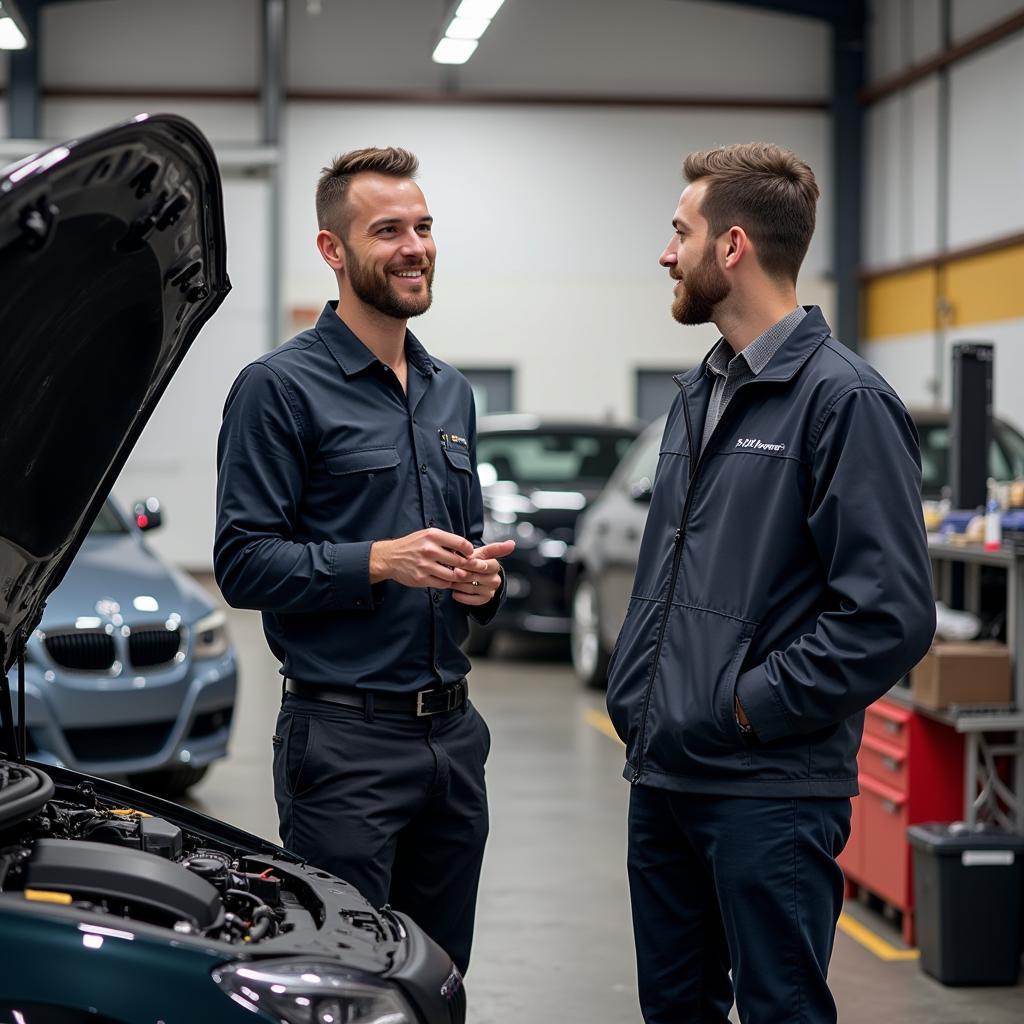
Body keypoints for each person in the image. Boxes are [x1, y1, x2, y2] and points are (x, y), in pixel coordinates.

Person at [605, 143, 935, 1024]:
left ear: (734, 246)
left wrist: (744, 708)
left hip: (769, 792)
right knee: (675, 1009)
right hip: (666, 775)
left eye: (681, 232)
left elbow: (890, 615)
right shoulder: (699, 393)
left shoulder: (844, 401)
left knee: (782, 1010)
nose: (667, 253)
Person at [214, 146, 514, 976]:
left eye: (422, 227)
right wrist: (379, 560)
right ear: (333, 250)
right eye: (388, 231)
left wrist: (480, 584)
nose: (415, 247)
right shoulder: (278, 388)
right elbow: (242, 562)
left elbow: (461, 548)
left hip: (454, 739)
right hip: (343, 742)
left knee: (439, 975)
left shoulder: (452, 392)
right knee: (344, 980)